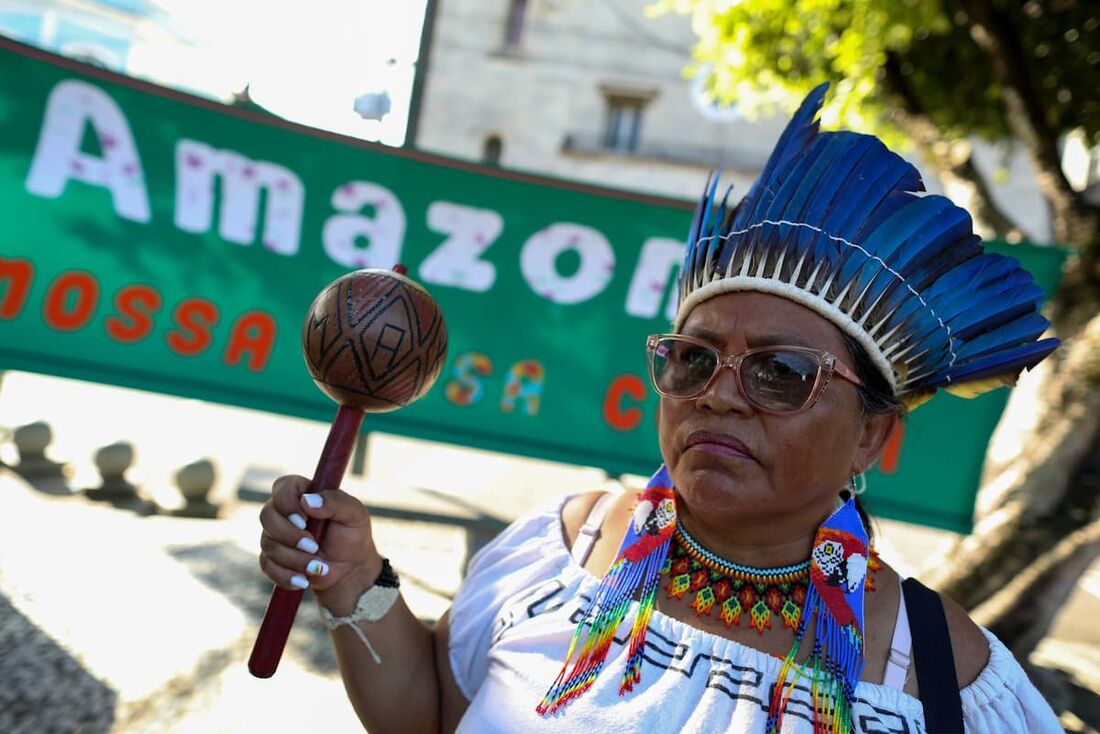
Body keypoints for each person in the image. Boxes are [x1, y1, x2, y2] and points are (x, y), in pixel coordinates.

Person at [257, 84, 1064, 733]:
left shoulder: (941, 677)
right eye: (693, 359)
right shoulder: (562, 547)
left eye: (781, 374)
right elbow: (432, 714)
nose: (718, 393)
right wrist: (356, 578)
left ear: (873, 435)